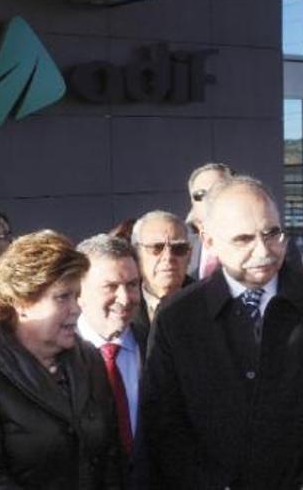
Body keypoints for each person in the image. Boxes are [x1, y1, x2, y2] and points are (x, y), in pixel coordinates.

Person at [137, 176, 303, 488]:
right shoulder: (177, 317)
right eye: (243, 239)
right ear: (209, 240)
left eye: (272, 233)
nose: (263, 250)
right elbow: (163, 426)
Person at [0, 230, 122, 489]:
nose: (76, 308)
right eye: (62, 297)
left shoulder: (88, 359)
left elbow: (110, 457)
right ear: (21, 302)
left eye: (76, 295)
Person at [76, 234, 146, 461]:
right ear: (79, 291)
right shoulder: (54, 356)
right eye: (110, 287)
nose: (125, 298)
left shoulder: (157, 347)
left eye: (132, 285)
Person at [129, 210, 193, 354]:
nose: (168, 257)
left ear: (189, 256)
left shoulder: (210, 304)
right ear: (136, 254)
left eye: (179, 248)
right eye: (156, 248)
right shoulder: (122, 304)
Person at [185, 163, 233, 280]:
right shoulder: (181, 247)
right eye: (200, 194)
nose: (208, 199)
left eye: (218, 191)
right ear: (192, 202)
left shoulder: (257, 242)